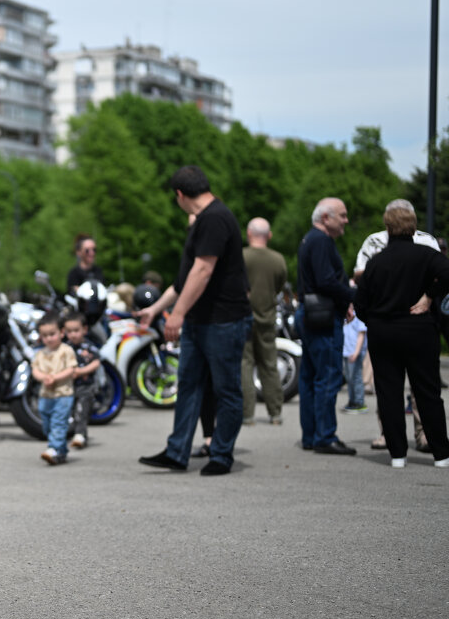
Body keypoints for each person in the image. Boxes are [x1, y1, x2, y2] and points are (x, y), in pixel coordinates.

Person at [135, 166, 252, 476]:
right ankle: (177, 452)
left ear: (180, 195)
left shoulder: (215, 218)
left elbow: (203, 271)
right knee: (189, 386)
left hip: (223, 321)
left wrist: (177, 314)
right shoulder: (203, 222)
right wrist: (156, 309)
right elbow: (182, 280)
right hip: (202, 321)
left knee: (226, 390)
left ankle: (221, 455)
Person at [353, 203, 449, 468]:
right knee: (427, 391)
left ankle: (397, 454)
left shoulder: (376, 262)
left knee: (389, 392)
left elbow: (360, 302)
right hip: (419, 329)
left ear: (387, 227)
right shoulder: (427, 255)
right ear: (414, 226)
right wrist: (429, 295)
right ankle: (441, 453)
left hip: (384, 330)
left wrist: (374, 320)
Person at [296, 198, 357, 455]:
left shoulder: (310, 239)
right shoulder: (321, 241)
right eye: (341, 215)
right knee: (328, 376)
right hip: (321, 317)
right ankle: (324, 436)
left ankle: (312, 435)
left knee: (310, 377)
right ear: (325, 218)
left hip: (310, 314)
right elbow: (325, 280)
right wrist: (352, 296)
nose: (346, 220)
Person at [241, 217, 288, 426]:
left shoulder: (241, 256)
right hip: (267, 317)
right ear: (269, 235)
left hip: (243, 317)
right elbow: (279, 287)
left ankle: (247, 415)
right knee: (269, 365)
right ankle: (275, 413)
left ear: (249, 234)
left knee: (245, 365)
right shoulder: (278, 259)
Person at [31, 312, 77, 465]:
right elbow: (35, 370)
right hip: (45, 395)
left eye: (52, 334)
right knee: (47, 425)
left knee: (58, 422)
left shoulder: (66, 351)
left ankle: (53, 449)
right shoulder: (40, 353)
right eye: (45, 335)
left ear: (61, 333)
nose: (49, 338)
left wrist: (55, 378)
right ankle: (61, 451)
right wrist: (43, 377)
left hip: (63, 394)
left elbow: (71, 369)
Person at [63, 311, 101, 448]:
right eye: (69, 331)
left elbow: (96, 362)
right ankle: (73, 432)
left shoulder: (89, 347)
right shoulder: (65, 348)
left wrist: (80, 372)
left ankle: (80, 434)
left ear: (84, 330)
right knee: (71, 410)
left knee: (82, 410)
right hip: (69, 386)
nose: (73, 334)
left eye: (76, 330)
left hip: (86, 385)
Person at [341, 305, 368, 413]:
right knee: (349, 378)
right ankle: (352, 401)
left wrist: (356, 352)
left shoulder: (358, 317)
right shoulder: (344, 317)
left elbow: (361, 335)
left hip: (354, 353)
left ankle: (359, 402)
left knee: (356, 377)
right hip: (345, 352)